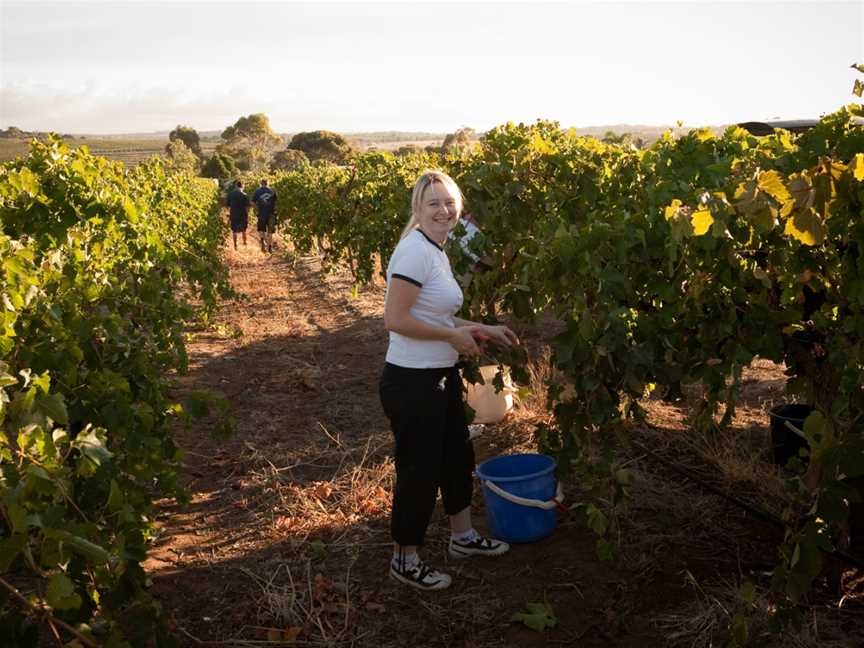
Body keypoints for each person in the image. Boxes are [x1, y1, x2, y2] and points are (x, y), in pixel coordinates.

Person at [379, 169, 520, 591]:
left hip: (438, 375)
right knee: (419, 471)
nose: (443, 210)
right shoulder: (414, 253)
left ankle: (463, 538)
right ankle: (404, 559)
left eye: (449, 202)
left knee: (457, 459)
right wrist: (451, 336)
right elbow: (395, 319)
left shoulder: (435, 248)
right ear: (417, 210)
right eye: (433, 204)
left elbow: (434, 314)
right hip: (411, 382)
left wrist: (478, 327)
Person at [251, 178, 278, 253]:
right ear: (268, 183)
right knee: (270, 232)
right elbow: (276, 203)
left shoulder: (257, 191)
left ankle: (262, 241)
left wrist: (256, 210)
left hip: (261, 214)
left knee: (261, 229)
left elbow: (252, 202)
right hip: (271, 214)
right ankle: (269, 248)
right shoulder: (272, 191)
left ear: (261, 183)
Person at [226, 180, 250, 250]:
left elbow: (227, 205)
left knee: (234, 231)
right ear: (242, 186)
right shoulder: (245, 195)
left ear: (236, 186)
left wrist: (229, 213)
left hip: (233, 214)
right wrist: (247, 214)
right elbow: (247, 206)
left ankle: (235, 245)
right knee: (244, 230)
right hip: (243, 215)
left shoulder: (230, 194)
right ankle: (245, 242)